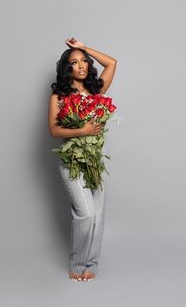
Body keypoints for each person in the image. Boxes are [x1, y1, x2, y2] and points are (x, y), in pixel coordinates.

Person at [48, 37, 117, 282]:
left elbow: (112, 63)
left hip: (95, 161)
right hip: (71, 160)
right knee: (85, 214)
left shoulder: (96, 90)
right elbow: (54, 130)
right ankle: (77, 265)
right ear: (67, 69)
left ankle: (91, 264)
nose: (81, 66)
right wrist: (82, 131)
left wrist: (83, 47)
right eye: (74, 63)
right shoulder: (59, 95)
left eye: (84, 61)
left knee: (97, 215)